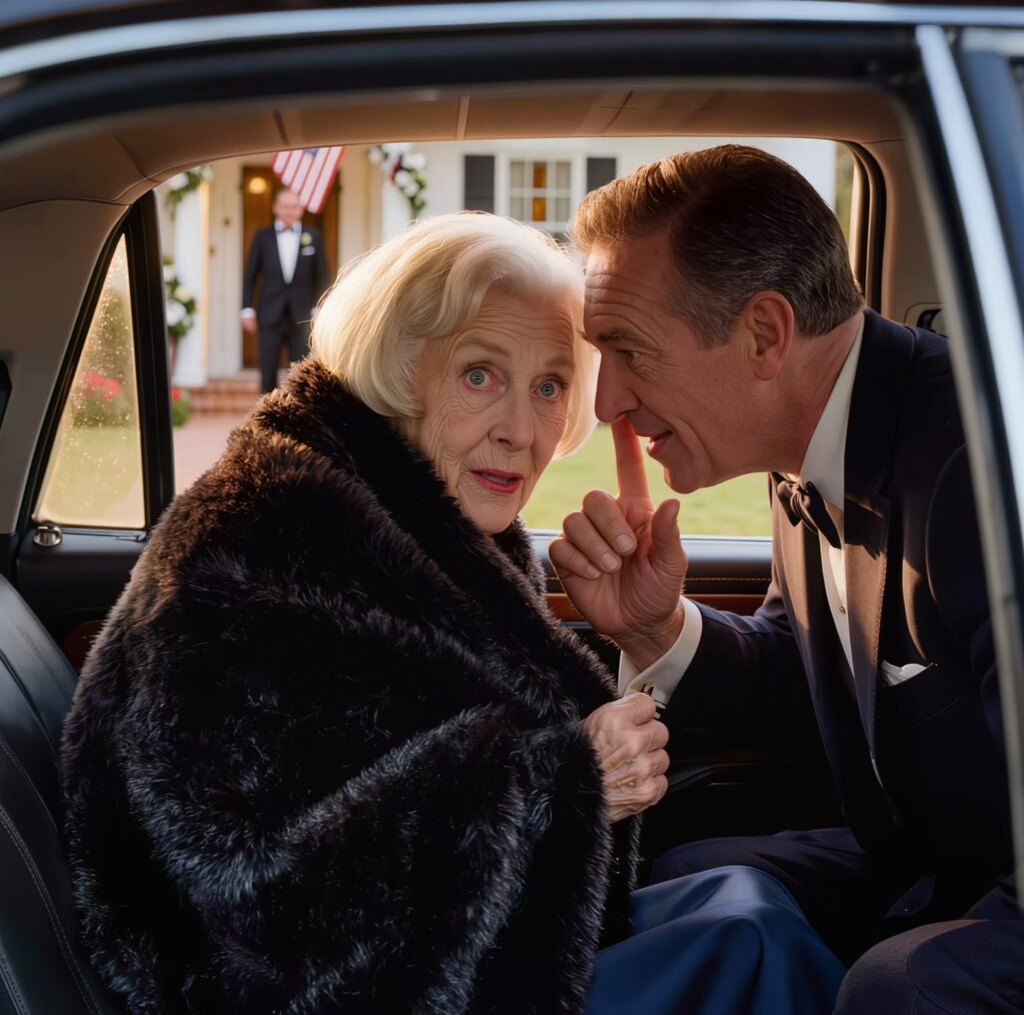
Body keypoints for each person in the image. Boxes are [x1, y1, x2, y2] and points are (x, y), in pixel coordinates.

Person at [61, 212, 843, 1015]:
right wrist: (561, 784)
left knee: (749, 903)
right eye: (479, 375)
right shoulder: (266, 555)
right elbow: (258, 916)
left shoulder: (406, 521)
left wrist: (636, 643)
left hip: (474, 951)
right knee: (755, 943)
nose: (521, 431)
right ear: (400, 371)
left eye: (549, 386)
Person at [552, 144, 1023, 1013]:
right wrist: (656, 628)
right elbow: (809, 660)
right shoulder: (805, 444)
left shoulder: (987, 468)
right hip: (927, 858)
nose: (607, 400)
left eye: (630, 351)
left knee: (897, 990)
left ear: (764, 334)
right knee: (690, 876)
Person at [241, 187, 331, 393]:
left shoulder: (313, 236)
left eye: (294, 206)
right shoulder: (262, 237)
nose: (289, 211)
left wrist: (319, 308)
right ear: (276, 208)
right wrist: (247, 308)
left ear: (301, 209)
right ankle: (267, 409)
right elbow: (250, 276)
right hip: (269, 312)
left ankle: (297, 410)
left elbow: (322, 276)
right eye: (285, 206)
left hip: (302, 315)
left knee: (301, 370)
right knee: (267, 369)